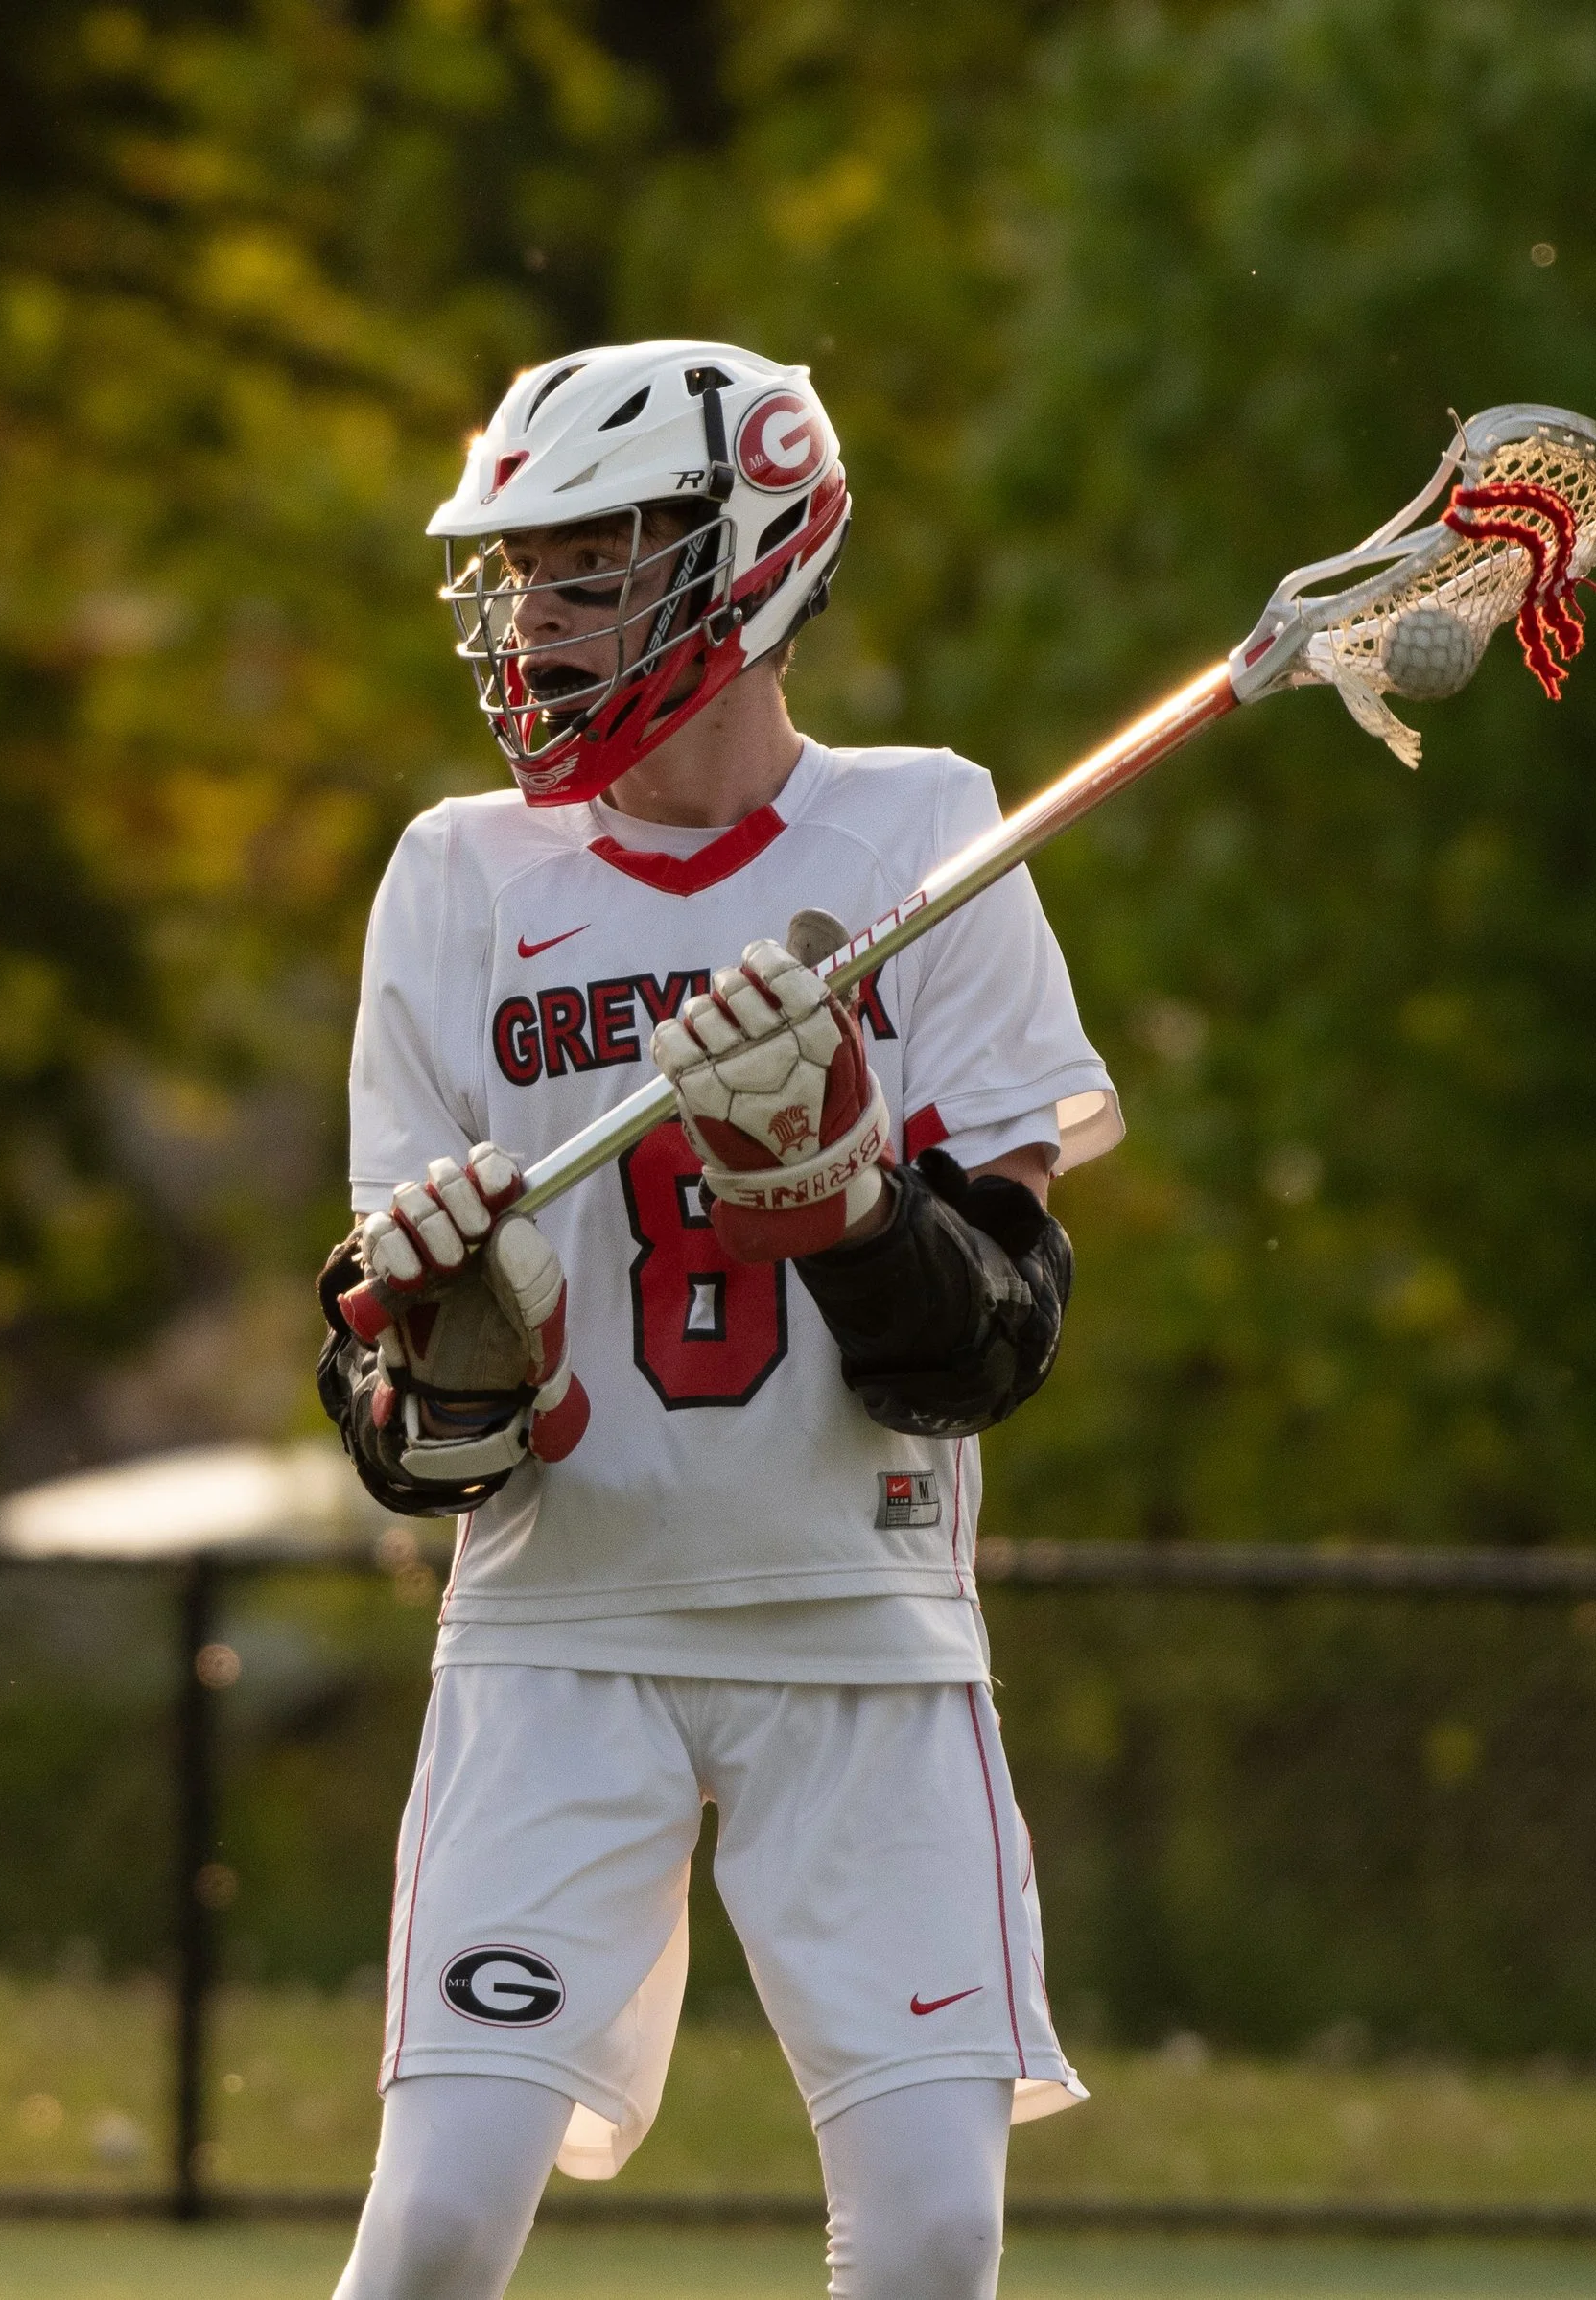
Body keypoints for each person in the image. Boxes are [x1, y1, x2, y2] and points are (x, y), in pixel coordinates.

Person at [316, 340, 1122, 2300]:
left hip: (855, 1630)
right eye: (520, 578)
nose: (538, 625)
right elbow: (392, 1417)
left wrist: (834, 1188)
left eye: (588, 572)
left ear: (745, 559)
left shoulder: (924, 836)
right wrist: (445, 1358)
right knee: (425, 2233)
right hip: (556, 1634)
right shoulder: (453, 876)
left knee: (929, 2237)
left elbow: (987, 1344)